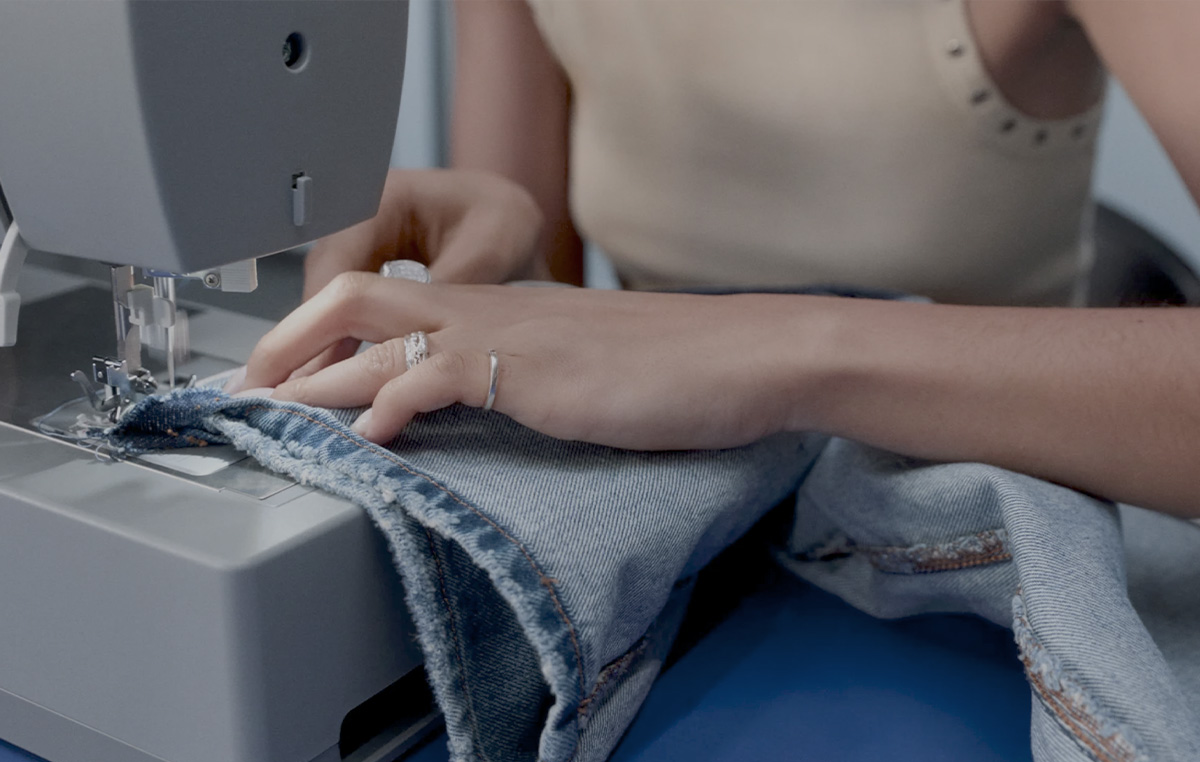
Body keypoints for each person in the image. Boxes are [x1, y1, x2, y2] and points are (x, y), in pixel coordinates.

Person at [236, 0, 1200, 518]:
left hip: (987, 537)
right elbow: (528, 322)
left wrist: (777, 352)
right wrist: (504, 239)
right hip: (701, 543)